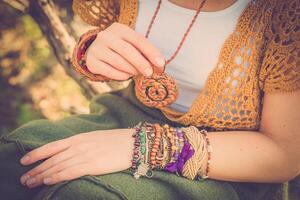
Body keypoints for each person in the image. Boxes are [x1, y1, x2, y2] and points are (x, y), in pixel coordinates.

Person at [0, 0, 299, 199]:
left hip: (229, 162)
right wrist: (92, 52)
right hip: (125, 114)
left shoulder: (286, 15)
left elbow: (284, 155)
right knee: (15, 155)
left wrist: (143, 146)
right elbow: (105, 42)